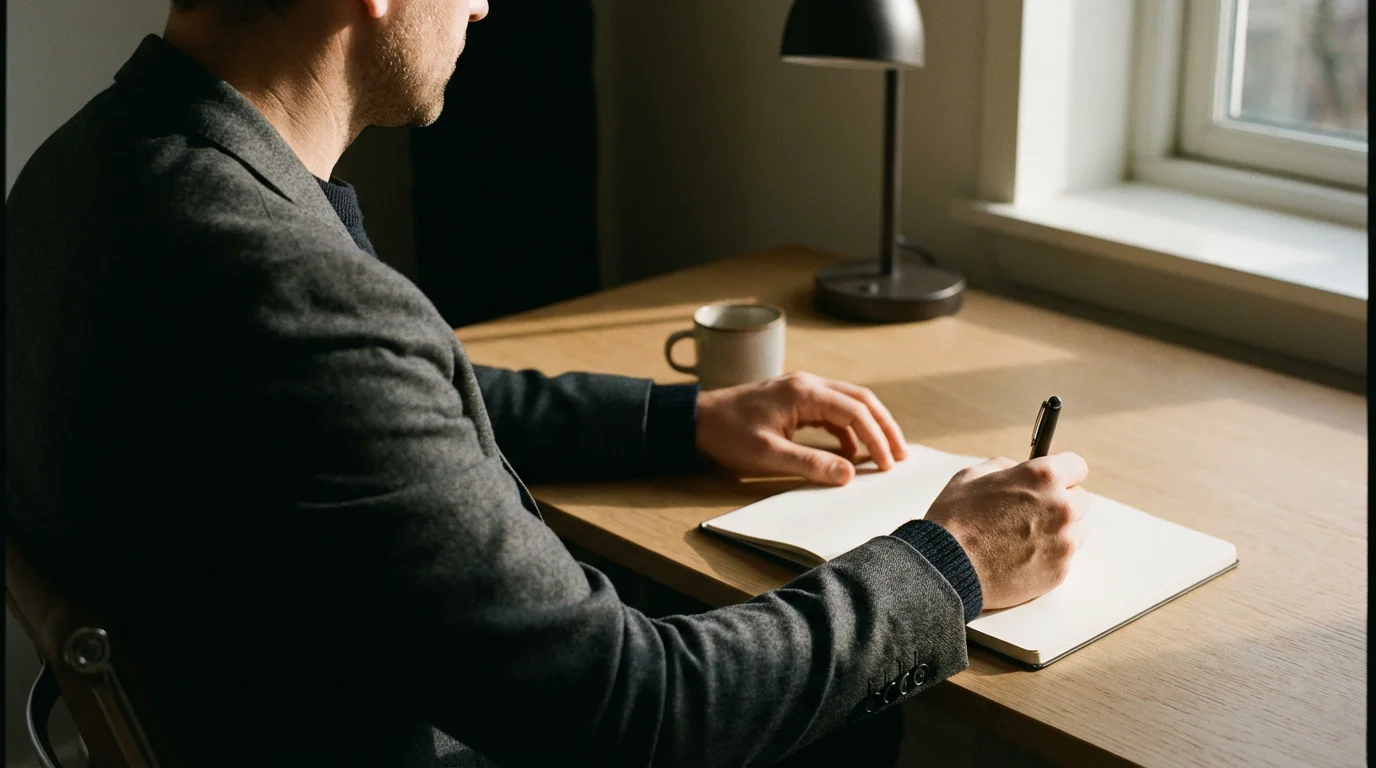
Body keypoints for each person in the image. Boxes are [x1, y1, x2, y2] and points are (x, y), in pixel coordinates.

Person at [4, 0, 1089, 765]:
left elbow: (375, 408)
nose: (480, 7)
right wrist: (950, 567)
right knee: (840, 720)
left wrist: (685, 419)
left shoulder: (88, 167)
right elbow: (637, 715)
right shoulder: (292, 296)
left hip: (242, 701)